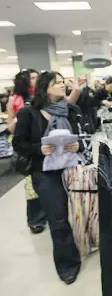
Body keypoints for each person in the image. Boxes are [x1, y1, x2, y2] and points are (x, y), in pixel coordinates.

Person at [13, 71, 82, 284]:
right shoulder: (28, 113)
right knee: (58, 219)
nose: (63, 86)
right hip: (44, 174)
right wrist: (39, 149)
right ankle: (68, 265)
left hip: (72, 169)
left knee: (81, 212)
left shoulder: (70, 110)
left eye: (63, 82)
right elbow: (18, 144)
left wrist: (77, 145)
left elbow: (83, 135)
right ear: (46, 88)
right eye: (58, 83)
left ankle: (80, 244)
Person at [7, 69, 46, 234]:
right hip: (26, 146)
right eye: (33, 78)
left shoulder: (42, 98)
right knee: (31, 187)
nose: (36, 80)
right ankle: (35, 218)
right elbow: (10, 127)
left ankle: (47, 213)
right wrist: (21, 119)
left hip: (44, 144)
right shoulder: (15, 100)